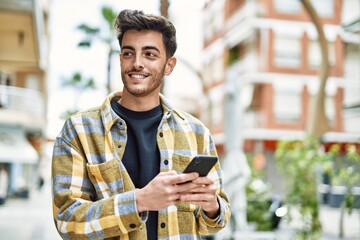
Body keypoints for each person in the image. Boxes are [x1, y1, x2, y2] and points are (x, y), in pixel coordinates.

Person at [52, 9, 230, 240]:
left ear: (169, 65)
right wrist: (140, 201)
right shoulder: (78, 130)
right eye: (128, 53)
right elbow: (67, 222)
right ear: (120, 59)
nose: (137, 63)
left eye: (150, 54)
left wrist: (212, 206)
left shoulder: (196, 132)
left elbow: (215, 224)